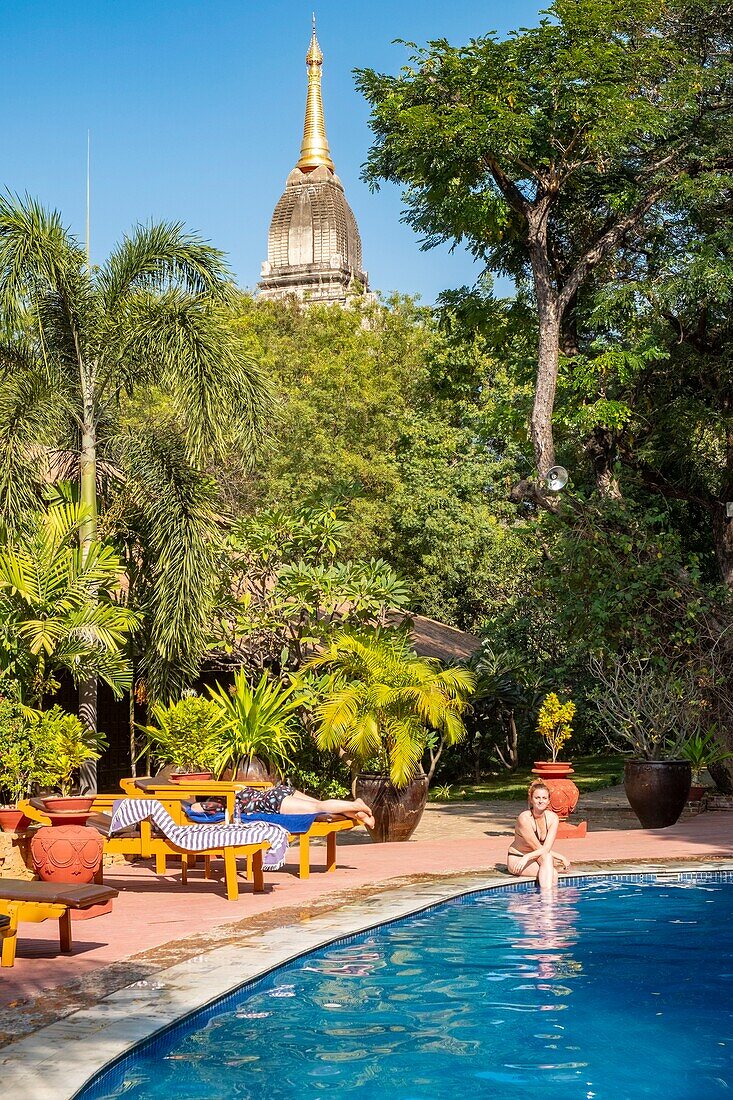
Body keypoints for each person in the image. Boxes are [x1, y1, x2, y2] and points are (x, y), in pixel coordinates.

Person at [195, 782, 375, 829]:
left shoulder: (222, 803)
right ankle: (355, 811)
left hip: (274, 803)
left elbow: (194, 809)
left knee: (318, 807)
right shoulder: (236, 790)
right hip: (277, 792)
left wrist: (201, 802)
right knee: (319, 810)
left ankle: (358, 806)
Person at [506, 780, 570, 892]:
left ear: (549, 801)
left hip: (537, 856)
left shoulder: (553, 818)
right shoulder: (524, 818)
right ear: (531, 799)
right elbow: (538, 848)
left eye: (544, 798)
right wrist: (560, 857)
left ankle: (546, 902)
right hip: (518, 858)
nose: (541, 801)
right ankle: (547, 902)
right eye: (537, 798)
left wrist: (560, 857)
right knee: (552, 872)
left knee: (551, 870)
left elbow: (546, 848)